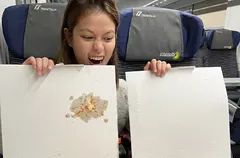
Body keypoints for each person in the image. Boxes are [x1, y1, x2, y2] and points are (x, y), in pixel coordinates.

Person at [23, 0, 171, 134]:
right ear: (69, 38)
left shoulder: (123, 91)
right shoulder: (47, 83)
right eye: (88, 37)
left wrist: (149, 92)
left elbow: (151, 138)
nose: (99, 48)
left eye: (108, 38)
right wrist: (24, 86)